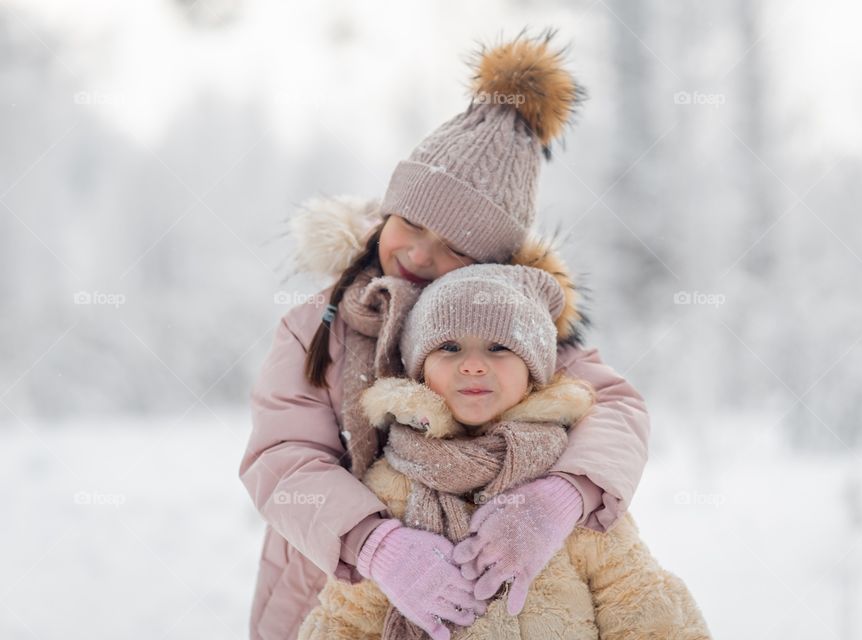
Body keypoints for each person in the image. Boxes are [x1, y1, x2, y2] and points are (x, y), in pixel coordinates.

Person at [239, 31, 651, 640]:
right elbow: (282, 457)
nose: (419, 253)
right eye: (409, 222)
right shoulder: (316, 327)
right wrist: (378, 545)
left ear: (494, 264)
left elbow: (617, 407)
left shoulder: (519, 332)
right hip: (330, 591)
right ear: (388, 209)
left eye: (455, 246)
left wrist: (559, 499)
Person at [298, 263, 711, 639]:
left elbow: (635, 598)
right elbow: (346, 621)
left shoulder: (567, 481)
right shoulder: (392, 483)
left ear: (534, 372)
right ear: (419, 370)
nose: (474, 365)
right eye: (450, 347)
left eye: (498, 347)